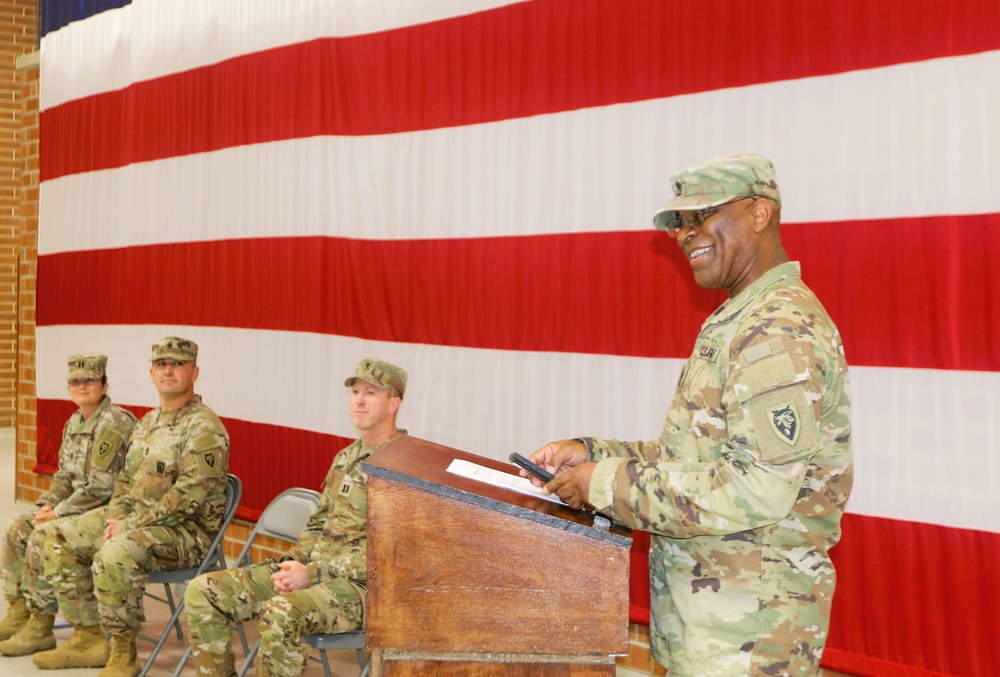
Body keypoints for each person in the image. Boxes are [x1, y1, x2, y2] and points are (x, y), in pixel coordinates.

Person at [523, 154, 852, 676]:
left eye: (701, 216)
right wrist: (593, 454)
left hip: (749, 639)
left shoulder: (775, 329)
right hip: (713, 630)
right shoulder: (738, 318)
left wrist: (602, 484)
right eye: (679, 222)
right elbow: (694, 457)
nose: (683, 234)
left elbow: (756, 488)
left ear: (759, 213)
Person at [184, 357, 407, 677]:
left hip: (364, 591)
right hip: (315, 574)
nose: (359, 399)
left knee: (281, 612)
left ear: (393, 403)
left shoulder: (401, 467)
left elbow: (389, 556)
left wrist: (311, 573)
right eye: (356, 391)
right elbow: (318, 524)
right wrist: (293, 564)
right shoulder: (346, 458)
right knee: (203, 591)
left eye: (371, 393)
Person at [34, 337, 230, 677]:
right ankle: (88, 637)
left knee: (116, 551)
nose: (169, 369)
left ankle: (123, 652)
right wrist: (117, 515)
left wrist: (130, 524)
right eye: (162, 364)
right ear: (151, 373)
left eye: (178, 363)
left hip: (187, 534)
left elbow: (190, 495)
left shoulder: (204, 427)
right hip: (140, 522)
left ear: (194, 372)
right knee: (56, 535)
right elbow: (125, 478)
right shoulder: (148, 423)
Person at [0, 354, 137, 657]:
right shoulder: (75, 422)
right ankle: (20, 611)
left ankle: (42, 625)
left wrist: (56, 514)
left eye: (89, 381)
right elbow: (65, 476)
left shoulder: (112, 423)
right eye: (76, 382)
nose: (82, 387)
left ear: (104, 385)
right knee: (18, 527)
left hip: (110, 509)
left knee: (43, 534)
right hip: (79, 506)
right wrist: (47, 504)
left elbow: (102, 487)